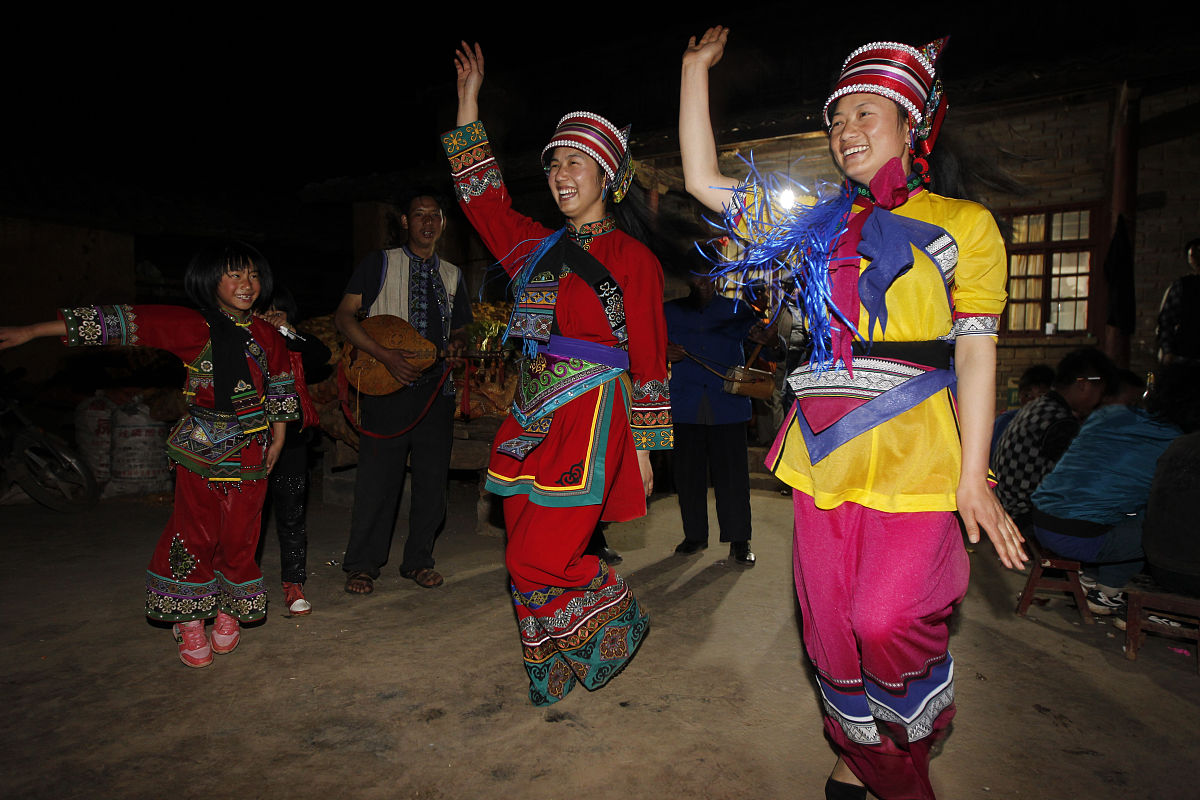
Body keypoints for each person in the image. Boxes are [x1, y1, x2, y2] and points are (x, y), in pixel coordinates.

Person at [679, 27, 1026, 800]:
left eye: (865, 113)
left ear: (912, 124)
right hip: (824, 454)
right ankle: (862, 758)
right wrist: (693, 70)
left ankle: (901, 774)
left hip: (920, 455)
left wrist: (976, 476)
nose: (846, 131)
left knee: (884, 620)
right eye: (837, 119)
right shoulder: (813, 226)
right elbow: (703, 177)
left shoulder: (964, 226)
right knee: (831, 635)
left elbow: (974, 352)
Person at [445, 43, 671, 705]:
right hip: (530, 413)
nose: (560, 175)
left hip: (593, 414)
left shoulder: (635, 259)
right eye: (553, 165)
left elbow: (651, 359)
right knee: (520, 547)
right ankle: (553, 669)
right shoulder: (534, 249)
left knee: (535, 557)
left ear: (607, 177)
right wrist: (468, 101)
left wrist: (647, 448)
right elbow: (481, 198)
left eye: (575, 163)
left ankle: (616, 616)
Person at [0, 242, 300, 668]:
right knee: (194, 533)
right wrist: (33, 331)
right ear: (210, 281)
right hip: (201, 449)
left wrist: (280, 437)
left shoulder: (268, 334)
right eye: (233, 274)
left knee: (242, 534)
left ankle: (230, 609)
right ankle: (190, 618)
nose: (245, 284)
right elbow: (122, 322)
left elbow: (281, 386)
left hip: (254, 449)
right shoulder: (192, 325)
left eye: (251, 274)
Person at [335, 192, 472, 593]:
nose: (427, 222)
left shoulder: (453, 274)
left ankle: (418, 560)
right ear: (405, 222)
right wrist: (383, 354)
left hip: (436, 392)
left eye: (434, 216)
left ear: (442, 224)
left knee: (432, 483)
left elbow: (460, 327)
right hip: (386, 385)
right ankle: (362, 564)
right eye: (419, 215)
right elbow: (344, 316)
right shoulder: (379, 263)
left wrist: (459, 342)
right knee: (378, 481)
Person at [1030, 362, 1197, 617]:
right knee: (1157, 521)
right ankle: (1107, 592)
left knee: (1119, 504)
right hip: (1079, 537)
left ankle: (1092, 577)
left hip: (1041, 522)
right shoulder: (1176, 443)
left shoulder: (1108, 416)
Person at [665, 273, 760, 564]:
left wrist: (771, 339)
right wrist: (663, 352)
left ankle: (739, 540)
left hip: (727, 405)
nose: (702, 282)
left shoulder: (737, 309)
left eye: (708, 276)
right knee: (688, 475)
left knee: (732, 478)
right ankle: (694, 535)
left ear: (717, 278)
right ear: (688, 280)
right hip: (685, 405)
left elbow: (766, 344)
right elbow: (647, 347)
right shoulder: (669, 310)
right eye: (695, 277)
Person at [257, 286, 331, 616]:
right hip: (250, 439)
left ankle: (293, 584)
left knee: (291, 514)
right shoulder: (244, 339)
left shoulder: (295, 344)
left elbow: (322, 356)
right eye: (265, 311)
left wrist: (284, 331)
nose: (272, 317)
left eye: (279, 311)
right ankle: (241, 583)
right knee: (248, 517)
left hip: (293, 441)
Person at [991, 348, 1114, 527]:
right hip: (1024, 518)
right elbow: (1078, 481)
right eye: (1101, 393)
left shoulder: (1041, 407)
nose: (1100, 402)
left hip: (1010, 510)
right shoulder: (1058, 420)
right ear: (1084, 385)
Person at [989, 363, 1053, 460]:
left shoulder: (1057, 425)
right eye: (1027, 396)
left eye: (1041, 396)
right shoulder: (1006, 421)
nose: (1034, 402)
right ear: (1019, 396)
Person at [1155, 238, 1200, 364]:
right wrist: (1168, 351)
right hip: (1186, 354)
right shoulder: (1183, 286)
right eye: (1193, 255)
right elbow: (1166, 321)